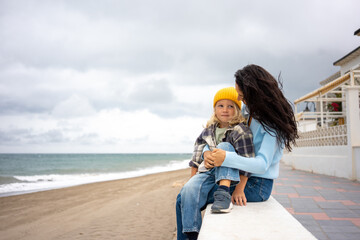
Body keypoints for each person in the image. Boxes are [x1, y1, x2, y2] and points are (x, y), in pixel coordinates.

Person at [176, 64, 298, 240]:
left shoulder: (271, 125)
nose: (240, 99)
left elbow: (262, 164)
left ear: (254, 93)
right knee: (184, 196)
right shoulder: (248, 116)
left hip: (257, 185)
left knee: (185, 198)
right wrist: (206, 154)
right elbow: (221, 141)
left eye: (241, 95)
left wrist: (226, 157)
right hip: (234, 175)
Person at [176, 87, 255, 240]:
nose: (225, 110)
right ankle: (191, 234)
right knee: (187, 191)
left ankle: (223, 194)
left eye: (230, 106)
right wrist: (192, 181)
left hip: (229, 176)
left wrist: (239, 190)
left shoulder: (240, 130)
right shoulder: (207, 131)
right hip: (208, 172)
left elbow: (247, 161)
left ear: (237, 110)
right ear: (214, 109)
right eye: (220, 106)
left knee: (223, 147)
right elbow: (196, 158)